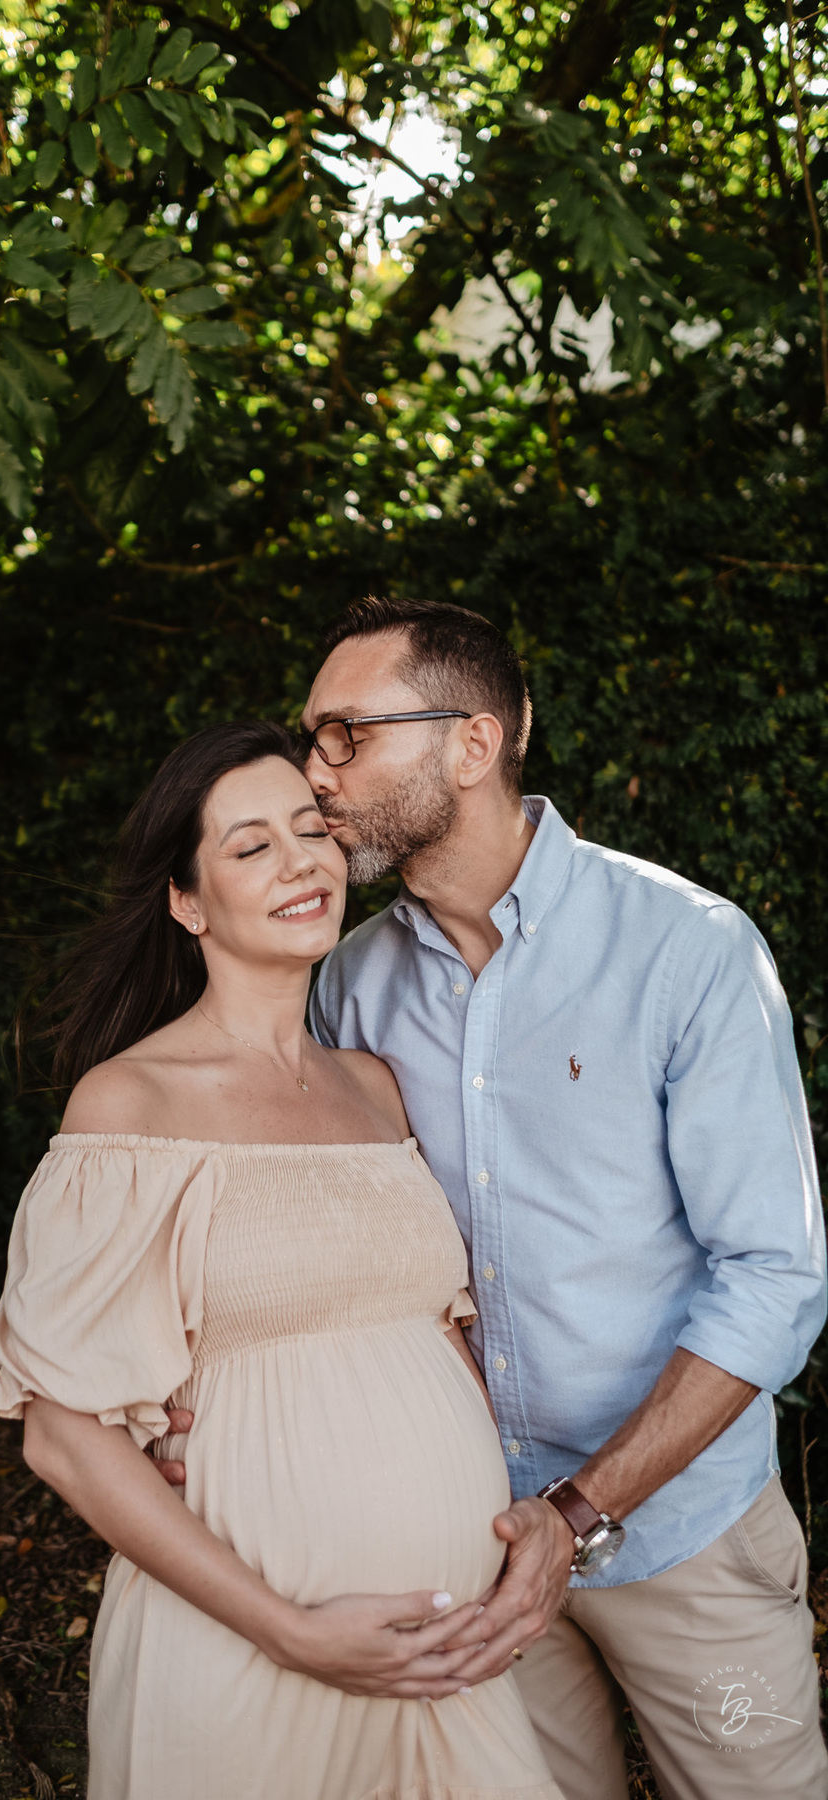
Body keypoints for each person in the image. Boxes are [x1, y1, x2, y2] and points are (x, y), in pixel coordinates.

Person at [295, 596, 827, 1800]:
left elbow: (776, 1277)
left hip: (687, 1544)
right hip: (462, 1545)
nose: (315, 774)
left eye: (346, 736)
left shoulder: (687, 949)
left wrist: (577, 1513)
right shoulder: (346, 989)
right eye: (311, 739)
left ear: (472, 745)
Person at [0, 719, 563, 1800]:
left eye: (311, 830)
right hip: (253, 1650)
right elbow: (65, 1436)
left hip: (448, 1647)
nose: (300, 861)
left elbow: (440, 1335)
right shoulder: (132, 1103)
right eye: (250, 847)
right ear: (187, 901)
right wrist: (292, 1631)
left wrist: (517, 1503)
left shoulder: (378, 1085)